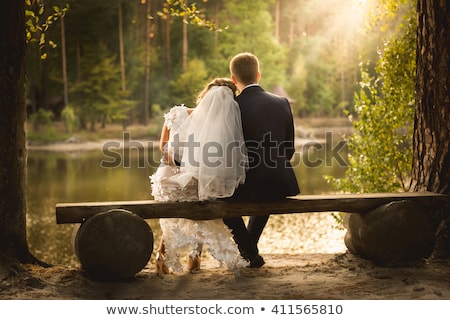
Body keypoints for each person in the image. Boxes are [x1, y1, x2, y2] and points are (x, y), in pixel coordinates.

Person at [150, 78, 248, 274]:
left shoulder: (177, 114)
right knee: (201, 193)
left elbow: (163, 147)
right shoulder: (218, 127)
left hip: (167, 180)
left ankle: (161, 256)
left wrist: (175, 160)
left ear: (204, 94)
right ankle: (194, 259)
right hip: (194, 183)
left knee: (174, 213)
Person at [223, 52, 300, 268]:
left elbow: (228, 152)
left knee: (220, 197)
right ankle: (250, 250)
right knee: (266, 192)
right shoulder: (282, 102)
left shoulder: (233, 106)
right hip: (281, 180)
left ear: (233, 79)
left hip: (249, 181)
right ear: (258, 74)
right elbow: (289, 147)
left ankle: (248, 249)